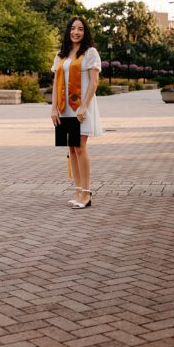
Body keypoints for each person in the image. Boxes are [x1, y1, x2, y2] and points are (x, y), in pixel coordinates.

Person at [51, 16, 104, 209]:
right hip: (64, 108)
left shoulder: (90, 53)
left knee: (80, 147)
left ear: (85, 32)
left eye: (80, 29)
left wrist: (83, 107)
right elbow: (56, 82)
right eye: (73, 28)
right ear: (68, 31)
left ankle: (87, 192)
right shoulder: (61, 54)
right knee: (71, 148)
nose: (76, 32)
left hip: (82, 107)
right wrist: (53, 108)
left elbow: (94, 82)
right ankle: (77, 189)